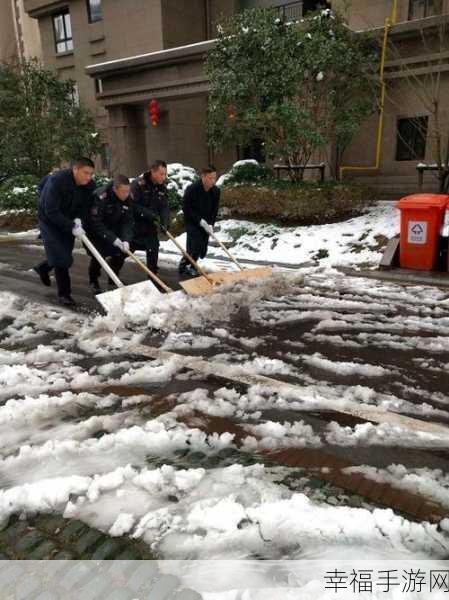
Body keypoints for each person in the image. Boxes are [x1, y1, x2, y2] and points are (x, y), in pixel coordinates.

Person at [34, 157, 95, 306]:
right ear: (75, 169)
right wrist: (71, 226)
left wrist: (79, 220)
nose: (89, 177)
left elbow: (86, 207)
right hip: (49, 221)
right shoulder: (57, 182)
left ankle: (43, 267)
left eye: (91, 174)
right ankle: (64, 294)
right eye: (85, 173)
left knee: (63, 254)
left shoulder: (89, 185)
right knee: (62, 259)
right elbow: (51, 211)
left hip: (69, 219)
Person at [87, 174, 134, 294]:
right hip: (95, 230)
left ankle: (113, 277)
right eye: (123, 192)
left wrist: (126, 240)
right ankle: (94, 280)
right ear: (114, 189)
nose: (126, 194)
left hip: (114, 227)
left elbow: (127, 222)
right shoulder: (101, 197)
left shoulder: (128, 198)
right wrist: (113, 239)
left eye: (128, 191)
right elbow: (96, 223)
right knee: (98, 255)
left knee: (121, 252)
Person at [178, 166, 220, 276]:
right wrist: (199, 221)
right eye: (210, 178)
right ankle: (191, 266)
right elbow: (186, 208)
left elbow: (214, 210)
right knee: (195, 243)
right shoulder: (192, 189)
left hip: (206, 221)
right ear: (203, 176)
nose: (213, 181)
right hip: (192, 220)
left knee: (202, 248)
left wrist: (210, 224)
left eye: (214, 178)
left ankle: (185, 262)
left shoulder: (215, 191)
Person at [130, 160, 170, 274]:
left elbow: (164, 207)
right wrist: (148, 214)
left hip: (150, 226)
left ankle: (153, 278)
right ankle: (113, 272)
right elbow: (132, 205)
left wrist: (165, 222)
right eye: (161, 174)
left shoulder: (162, 188)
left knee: (153, 249)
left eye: (165, 174)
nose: (164, 177)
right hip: (135, 226)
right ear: (153, 171)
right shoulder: (138, 184)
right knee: (125, 251)